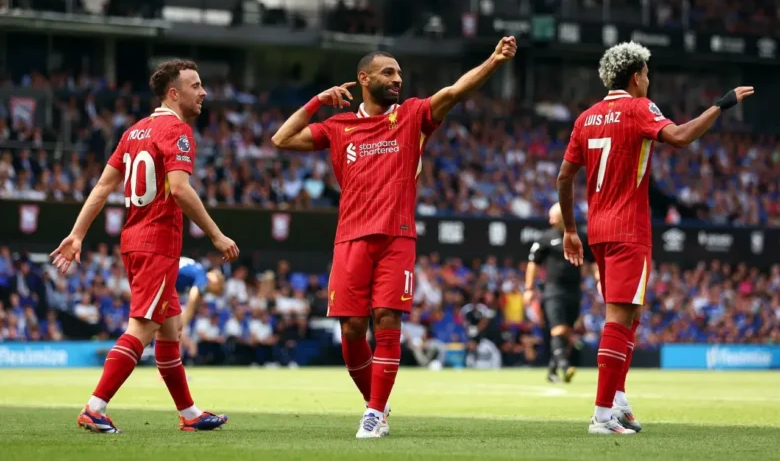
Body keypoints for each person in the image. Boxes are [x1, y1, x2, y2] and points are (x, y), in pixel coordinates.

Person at [271, 36, 517, 438]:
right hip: (350, 237)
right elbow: (281, 139)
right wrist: (318, 101)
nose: (398, 79)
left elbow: (455, 92)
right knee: (351, 330)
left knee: (386, 320)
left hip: (396, 236)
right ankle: (379, 408)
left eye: (400, 72)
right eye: (389, 72)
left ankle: (372, 412)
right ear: (363, 78)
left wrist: (493, 60)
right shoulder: (339, 126)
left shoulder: (413, 116)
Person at [556, 41, 753, 435]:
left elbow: (564, 177)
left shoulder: (586, 117)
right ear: (635, 77)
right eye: (647, 74)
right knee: (619, 318)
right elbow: (679, 137)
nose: (649, 81)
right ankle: (601, 416)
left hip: (598, 230)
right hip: (630, 228)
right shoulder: (640, 107)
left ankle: (618, 400)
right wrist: (720, 105)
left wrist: (570, 230)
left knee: (631, 315)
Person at [50, 60, 240, 434]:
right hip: (157, 242)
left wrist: (77, 233)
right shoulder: (179, 132)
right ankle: (95, 407)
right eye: (196, 85)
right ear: (174, 92)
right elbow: (181, 190)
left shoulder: (134, 132)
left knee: (170, 330)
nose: (203, 92)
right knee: (142, 326)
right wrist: (217, 235)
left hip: (134, 239)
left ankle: (189, 414)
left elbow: (103, 187)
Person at [524, 203, 595, 384]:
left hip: (574, 291)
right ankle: (565, 366)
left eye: (553, 216)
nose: (550, 220)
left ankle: (552, 371)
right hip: (553, 290)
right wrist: (529, 288)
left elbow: (593, 261)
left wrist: (599, 279)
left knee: (567, 333)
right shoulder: (545, 238)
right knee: (559, 329)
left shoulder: (581, 237)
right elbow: (533, 264)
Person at [178, 256, 225, 328]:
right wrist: (183, 325)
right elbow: (192, 300)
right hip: (161, 272)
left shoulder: (199, 270)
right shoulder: (203, 276)